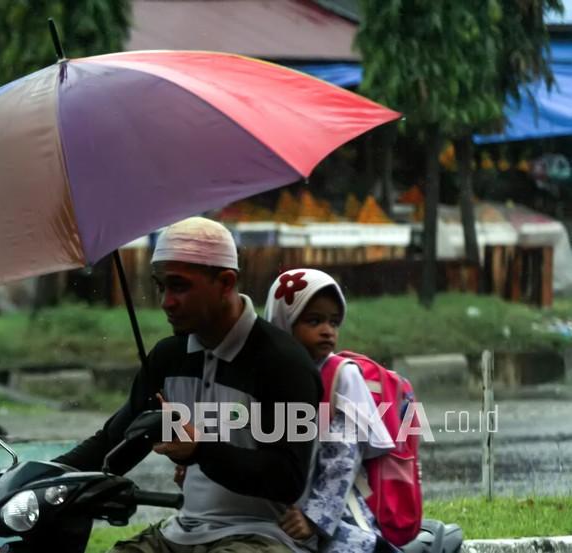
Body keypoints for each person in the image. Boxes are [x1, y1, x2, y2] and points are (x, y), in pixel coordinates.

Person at [53, 217, 321, 553]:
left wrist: (201, 450)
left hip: (264, 536)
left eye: (179, 286)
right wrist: (46, 474)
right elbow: (115, 443)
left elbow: (287, 479)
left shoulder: (283, 363)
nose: (166, 301)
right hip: (182, 532)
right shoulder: (169, 357)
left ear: (225, 282)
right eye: (161, 286)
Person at [263, 269, 395, 553]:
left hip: (334, 515)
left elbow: (342, 458)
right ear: (283, 323)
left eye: (334, 322)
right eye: (314, 321)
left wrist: (315, 518)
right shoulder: (264, 375)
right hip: (273, 515)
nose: (328, 331)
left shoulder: (341, 376)